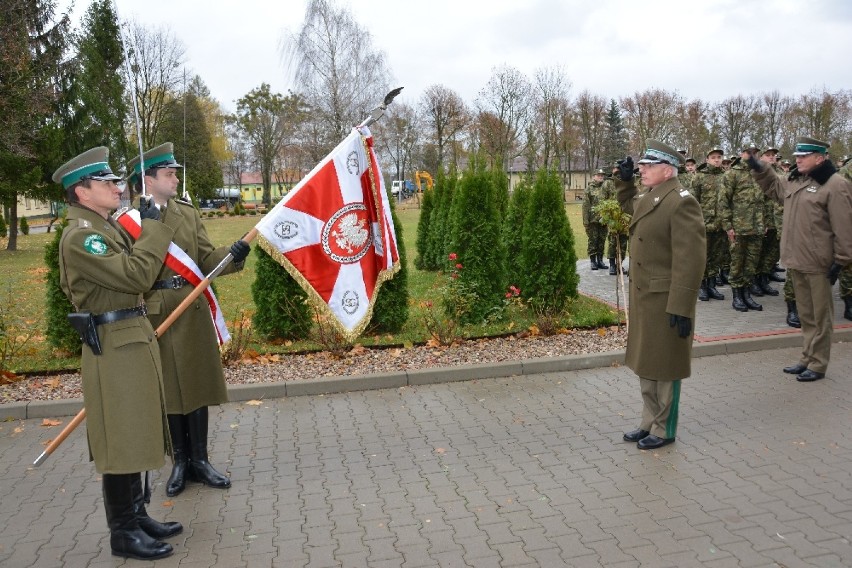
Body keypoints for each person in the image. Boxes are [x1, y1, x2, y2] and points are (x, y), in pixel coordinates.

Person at [54, 147, 184, 560]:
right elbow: (138, 276)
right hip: (113, 343)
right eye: (106, 182)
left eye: (115, 180)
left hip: (128, 335)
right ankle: (123, 531)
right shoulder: (82, 237)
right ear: (82, 191)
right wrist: (153, 230)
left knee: (136, 429)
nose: (117, 187)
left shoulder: (104, 228)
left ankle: (137, 513)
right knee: (120, 438)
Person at [127, 143, 251, 496]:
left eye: (175, 172)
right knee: (168, 390)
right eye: (168, 174)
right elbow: (131, 272)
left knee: (196, 386)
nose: (175, 177)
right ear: (148, 179)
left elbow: (205, 258)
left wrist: (234, 253)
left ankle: (200, 460)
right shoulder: (129, 220)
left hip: (191, 306)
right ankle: (179, 462)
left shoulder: (187, 213)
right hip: (156, 311)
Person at [615, 140, 706, 450]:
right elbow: (631, 209)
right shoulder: (652, 195)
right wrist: (625, 182)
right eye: (641, 165)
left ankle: (664, 427)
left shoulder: (681, 202)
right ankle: (648, 420)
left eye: (647, 165)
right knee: (647, 361)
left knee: (665, 365)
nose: (642, 169)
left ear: (667, 170)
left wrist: (681, 306)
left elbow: (690, 259)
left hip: (666, 297)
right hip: (646, 296)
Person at [745, 136, 852, 381]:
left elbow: (845, 226)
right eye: (797, 156)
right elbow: (774, 188)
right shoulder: (796, 180)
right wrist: (760, 168)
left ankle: (818, 363)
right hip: (796, 259)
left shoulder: (835, 184)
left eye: (803, 156)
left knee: (820, 316)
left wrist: (842, 259)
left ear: (820, 158)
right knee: (806, 314)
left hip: (820, 263)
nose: (798, 160)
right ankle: (807, 356)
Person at [720, 145, 765, 312]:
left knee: (751, 263)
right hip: (738, 228)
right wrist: (728, 226)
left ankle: (747, 294)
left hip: (757, 226)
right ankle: (737, 296)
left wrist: (765, 222)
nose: (752, 155)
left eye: (755, 153)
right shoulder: (732, 174)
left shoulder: (759, 173)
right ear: (742, 154)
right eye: (749, 152)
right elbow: (723, 201)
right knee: (737, 262)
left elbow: (765, 201)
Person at [690, 148, 727, 301]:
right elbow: (693, 201)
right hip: (704, 223)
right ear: (707, 159)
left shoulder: (726, 177)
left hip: (720, 223)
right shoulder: (699, 177)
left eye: (719, 157)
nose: (717, 160)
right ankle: (702, 286)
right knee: (702, 256)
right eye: (713, 157)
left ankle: (712, 285)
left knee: (716, 256)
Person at [582, 168, 609, 271]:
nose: (601, 177)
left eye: (602, 175)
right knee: (593, 240)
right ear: (594, 176)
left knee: (602, 240)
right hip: (593, 220)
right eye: (598, 175)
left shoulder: (606, 188)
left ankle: (600, 260)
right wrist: (585, 221)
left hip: (604, 220)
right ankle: (593, 261)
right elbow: (585, 206)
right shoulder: (589, 189)